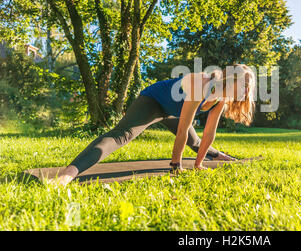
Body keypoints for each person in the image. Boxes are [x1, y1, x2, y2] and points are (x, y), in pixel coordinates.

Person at [51, 64, 256, 186]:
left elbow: (210, 132)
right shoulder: (202, 84)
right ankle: (68, 174)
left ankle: (219, 156)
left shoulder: (222, 98)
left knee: (196, 141)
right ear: (231, 79)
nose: (246, 93)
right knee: (122, 135)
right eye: (245, 86)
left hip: (174, 112)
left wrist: (198, 165)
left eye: (249, 88)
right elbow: (182, 130)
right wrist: (176, 166)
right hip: (154, 101)